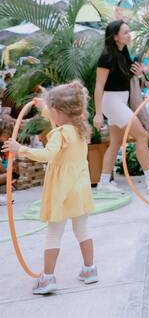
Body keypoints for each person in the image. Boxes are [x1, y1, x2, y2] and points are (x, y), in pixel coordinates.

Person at [3, 82, 97, 294]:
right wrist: (42, 106)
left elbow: (47, 155)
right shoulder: (80, 129)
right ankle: (90, 269)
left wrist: (21, 149)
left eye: (50, 110)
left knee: (54, 233)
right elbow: (58, 116)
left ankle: (48, 278)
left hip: (62, 192)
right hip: (79, 189)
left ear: (57, 112)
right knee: (82, 229)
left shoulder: (58, 134)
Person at [94, 20, 149, 193]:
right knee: (142, 135)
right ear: (115, 37)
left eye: (129, 32)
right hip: (112, 102)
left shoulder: (124, 54)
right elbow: (99, 86)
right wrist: (98, 113)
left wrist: (137, 74)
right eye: (125, 33)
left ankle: (104, 182)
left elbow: (135, 79)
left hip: (119, 101)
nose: (129, 35)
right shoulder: (107, 56)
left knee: (115, 143)